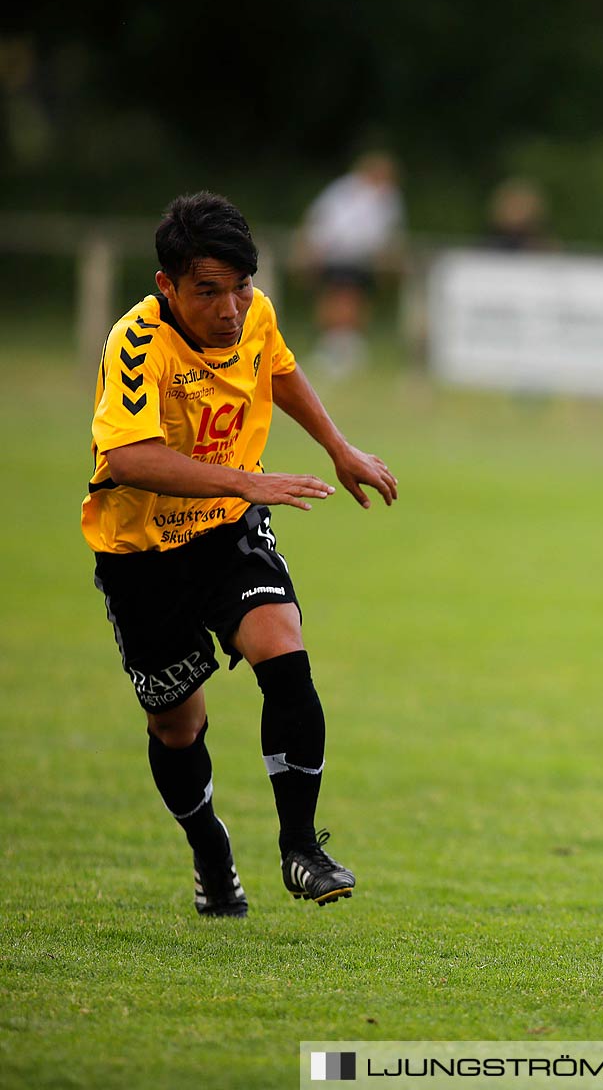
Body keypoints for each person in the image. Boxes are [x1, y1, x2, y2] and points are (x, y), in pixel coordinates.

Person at [83, 192, 398, 915]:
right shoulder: (137, 344)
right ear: (167, 287)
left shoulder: (253, 316)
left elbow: (279, 367)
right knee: (177, 724)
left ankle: (301, 849)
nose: (230, 309)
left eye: (241, 288)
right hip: (142, 554)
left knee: (282, 649)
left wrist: (338, 447)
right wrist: (248, 478)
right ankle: (208, 848)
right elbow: (127, 457)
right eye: (208, 292)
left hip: (227, 528)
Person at [294, 151, 406, 377]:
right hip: (337, 254)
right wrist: (312, 248)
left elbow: (387, 233)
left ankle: (349, 347)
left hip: (362, 258)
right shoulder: (345, 191)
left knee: (354, 299)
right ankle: (334, 345)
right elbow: (323, 222)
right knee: (338, 298)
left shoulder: (389, 198)